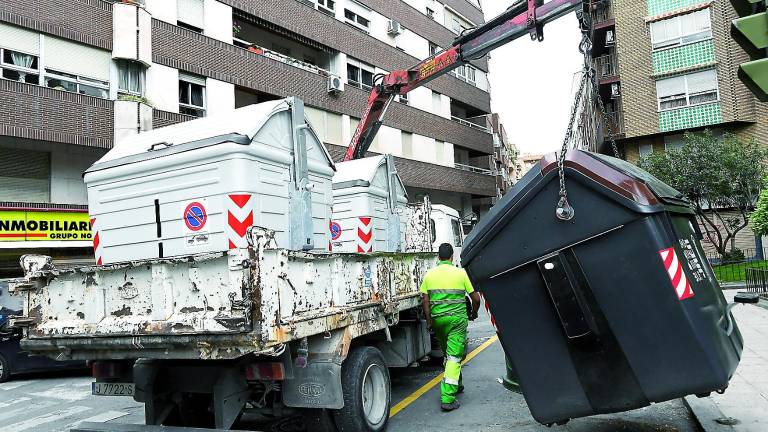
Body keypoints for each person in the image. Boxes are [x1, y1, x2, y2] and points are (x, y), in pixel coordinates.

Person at [420, 243, 481, 412]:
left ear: (438, 257)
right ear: (452, 257)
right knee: (454, 357)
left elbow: (425, 301)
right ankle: (447, 398)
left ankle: (457, 384)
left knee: (449, 354)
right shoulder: (460, 273)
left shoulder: (429, 275)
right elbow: (475, 298)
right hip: (457, 321)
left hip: (438, 321)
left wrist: (429, 320)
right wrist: (474, 313)